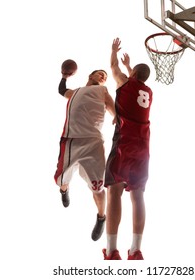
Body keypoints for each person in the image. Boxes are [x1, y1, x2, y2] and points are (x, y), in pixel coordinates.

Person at [102, 38, 153, 260]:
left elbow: (113, 68)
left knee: (114, 190)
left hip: (125, 141)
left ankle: (112, 251)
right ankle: (136, 249)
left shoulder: (124, 82)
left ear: (131, 76)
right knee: (138, 195)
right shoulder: (148, 91)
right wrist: (131, 67)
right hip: (143, 147)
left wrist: (113, 52)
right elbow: (136, 78)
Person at [54, 68, 116, 241]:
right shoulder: (76, 92)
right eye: (100, 73)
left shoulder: (102, 91)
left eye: (105, 76)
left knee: (98, 186)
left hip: (93, 142)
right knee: (61, 180)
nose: (104, 76)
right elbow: (61, 90)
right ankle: (64, 191)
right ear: (90, 76)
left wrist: (116, 116)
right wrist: (64, 76)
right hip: (71, 139)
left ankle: (101, 218)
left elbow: (112, 107)